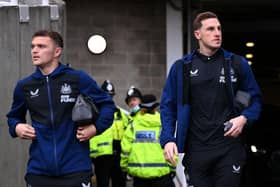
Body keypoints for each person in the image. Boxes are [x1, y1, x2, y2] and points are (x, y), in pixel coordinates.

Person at [160, 11, 262, 187]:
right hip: (196, 151)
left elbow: (256, 100)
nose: (217, 33)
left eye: (219, 28)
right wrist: (168, 139)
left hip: (229, 149)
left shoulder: (237, 64)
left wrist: (244, 118)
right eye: (211, 29)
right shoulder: (182, 67)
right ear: (197, 34)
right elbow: (168, 107)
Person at [6, 30, 116, 187]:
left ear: (57, 51)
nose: (34, 50)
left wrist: (95, 128)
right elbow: (13, 117)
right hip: (39, 171)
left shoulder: (78, 78)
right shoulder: (24, 86)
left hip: (75, 169)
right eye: (33, 46)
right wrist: (17, 127)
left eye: (41, 46)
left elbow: (107, 105)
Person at [121, 94, 176, 187]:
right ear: (155, 108)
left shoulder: (133, 125)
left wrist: (124, 168)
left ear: (142, 108)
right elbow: (171, 149)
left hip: (140, 176)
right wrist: (172, 168)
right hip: (162, 175)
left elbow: (125, 149)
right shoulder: (163, 124)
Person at [90, 80, 128, 187]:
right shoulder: (96, 112)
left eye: (111, 95)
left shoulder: (120, 113)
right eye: (106, 95)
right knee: (103, 183)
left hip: (118, 155)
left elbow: (127, 133)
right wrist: (92, 156)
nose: (109, 98)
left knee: (119, 183)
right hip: (102, 156)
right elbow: (92, 135)